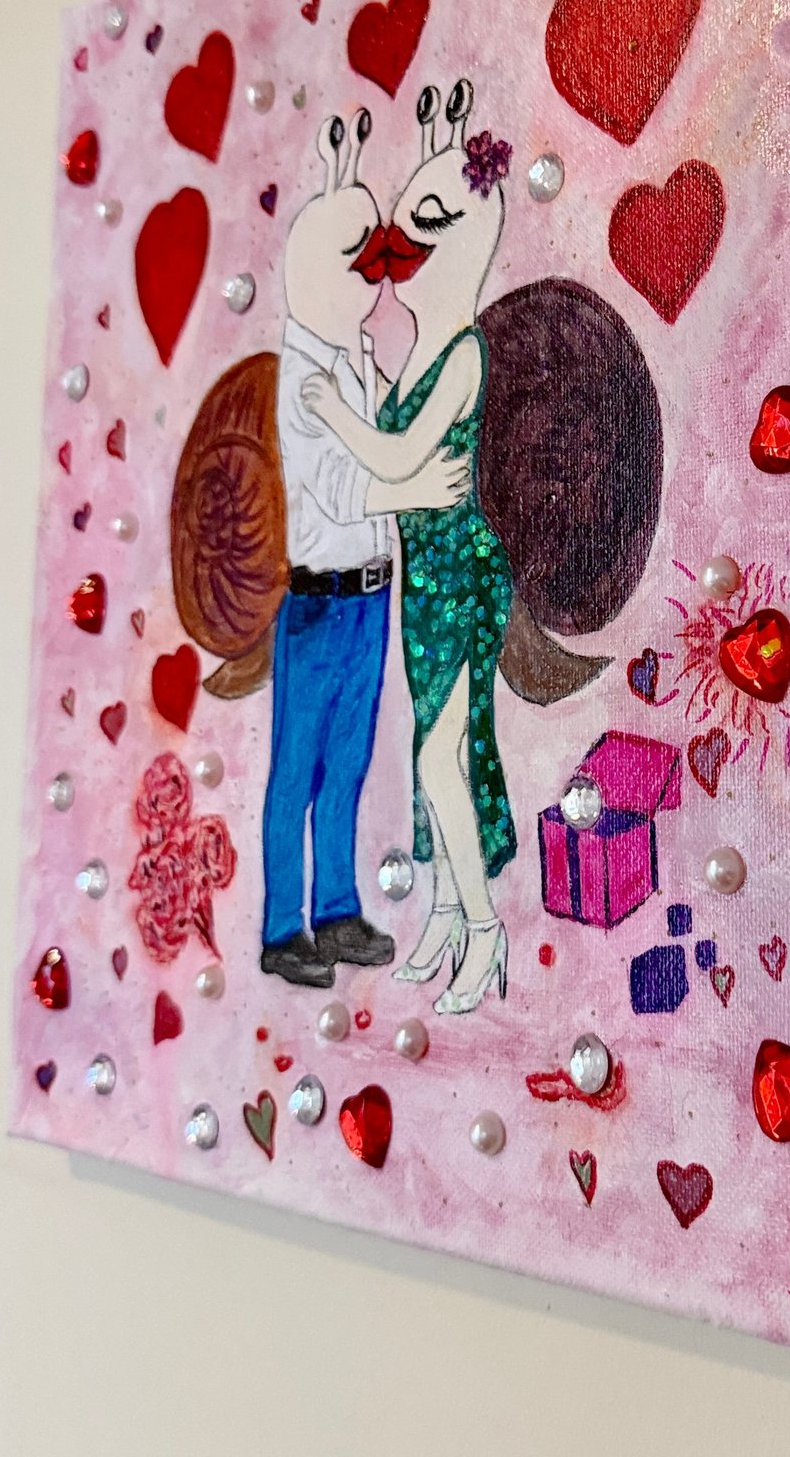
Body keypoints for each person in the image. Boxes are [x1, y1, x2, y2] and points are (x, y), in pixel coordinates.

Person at [302, 78, 515, 1015]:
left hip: (463, 576)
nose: (402, 250)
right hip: (423, 580)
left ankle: (485, 930)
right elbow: (397, 477)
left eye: (425, 229)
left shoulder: (461, 352)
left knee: (438, 757)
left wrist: (332, 414)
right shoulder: (415, 351)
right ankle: (443, 908)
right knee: (432, 750)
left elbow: (396, 455)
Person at [260, 108, 471, 989]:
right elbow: (339, 489)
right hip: (318, 601)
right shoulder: (304, 378)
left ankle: (338, 908)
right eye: (361, 272)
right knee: (297, 767)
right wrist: (413, 491)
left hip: (370, 597)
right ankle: (283, 926)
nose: (375, 288)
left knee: (348, 757)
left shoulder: (351, 360)